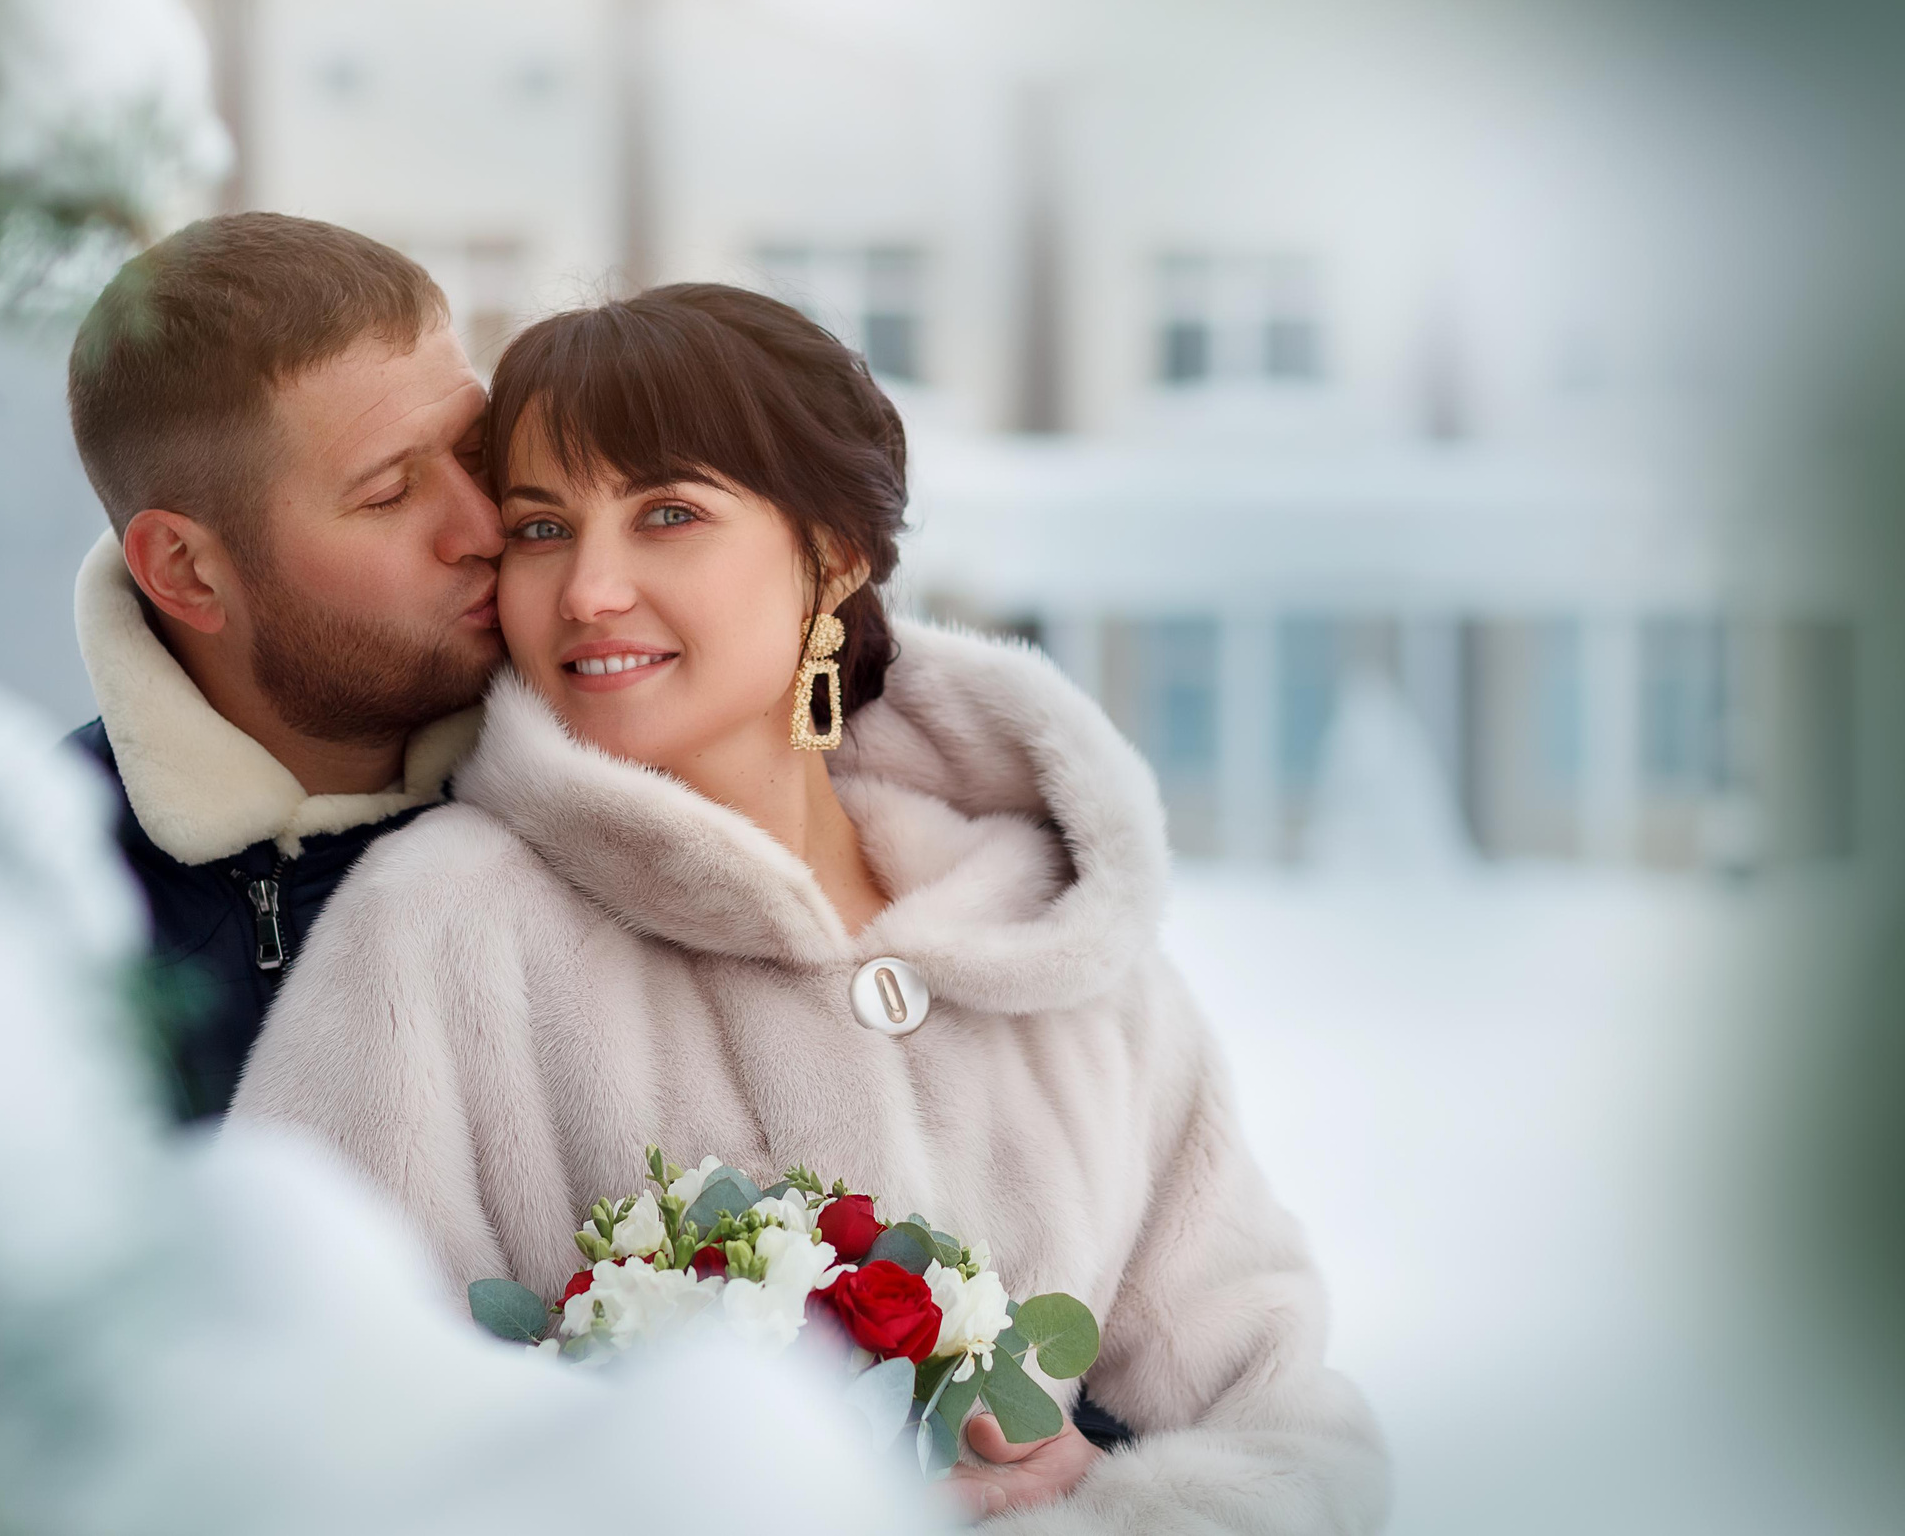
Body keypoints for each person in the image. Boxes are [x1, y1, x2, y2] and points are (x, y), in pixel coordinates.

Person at [231, 284, 1389, 1529]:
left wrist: (1109, 1508)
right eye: (541, 528)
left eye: (667, 514)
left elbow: (1285, 1427)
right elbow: (295, 1431)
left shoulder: (1057, 945)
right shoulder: (438, 931)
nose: (590, 591)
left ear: (829, 554)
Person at [63, 213, 505, 1118]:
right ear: (186, 570)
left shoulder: (602, 794)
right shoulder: (32, 916)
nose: (484, 528)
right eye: (389, 493)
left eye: (475, 450)